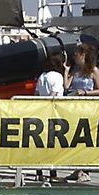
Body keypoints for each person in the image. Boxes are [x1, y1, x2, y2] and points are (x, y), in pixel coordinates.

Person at [65, 42, 99, 181]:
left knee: (86, 138)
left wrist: (86, 93)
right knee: (76, 139)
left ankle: (86, 170)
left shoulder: (93, 71)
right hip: (75, 108)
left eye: (76, 55)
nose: (74, 58)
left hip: (88, 108)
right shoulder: (75, 71)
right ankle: (77, 168)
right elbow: (66, 86)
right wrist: (66, 71)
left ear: (83, 55)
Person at [35, 51, 67, 183]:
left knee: (40, 144)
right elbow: (56, 92)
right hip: (54, 113)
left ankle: (39, 172)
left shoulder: (42, 76)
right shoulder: (57, 76)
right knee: (53, 144)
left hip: (41, 112)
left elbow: (36, 93)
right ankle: (52, 173)